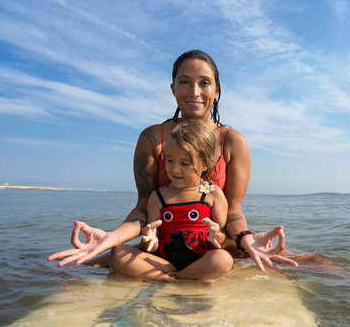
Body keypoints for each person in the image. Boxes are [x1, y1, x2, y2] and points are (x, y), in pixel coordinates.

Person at [48, 49, 298, 276]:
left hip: (214, 247)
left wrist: (245, 237)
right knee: (76, 266)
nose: (194, 92)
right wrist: (113, 236)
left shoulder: (232, 141)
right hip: (163, 247)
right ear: (173, 88)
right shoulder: (152, 138)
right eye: (184, 82)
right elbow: (143, 209)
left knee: (311, 262)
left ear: (217, 90)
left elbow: (233, 211)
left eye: (204, 83)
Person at [109, 119, 231, 279]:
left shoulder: (212, 193)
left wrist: (218, 237)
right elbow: (154, 244)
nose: (175, 169)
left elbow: (223, 239)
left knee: (223, 259)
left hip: (201, 261)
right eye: (169, 160)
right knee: (118, 253)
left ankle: (176, 278)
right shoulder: (158, 196)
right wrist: (149, 241)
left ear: (206, 163)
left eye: (185, 163)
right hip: (165, 263)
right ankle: (172, 278)